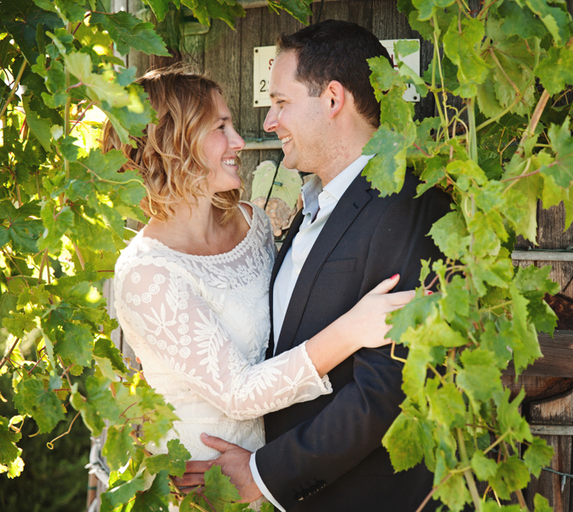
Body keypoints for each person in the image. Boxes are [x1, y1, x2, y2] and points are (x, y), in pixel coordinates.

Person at [104, 68, 416, 510]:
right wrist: (353, 330)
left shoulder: (251, 223)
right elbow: (237, 392)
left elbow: (287, 330)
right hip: (205, 485)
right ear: (173, 143)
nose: (240, 142)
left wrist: (268, 468)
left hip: (272, 473)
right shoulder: (146, 272)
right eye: (219, 128)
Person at [178, 20, 452, 512]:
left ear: (332, 100)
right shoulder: (317, 203)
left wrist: (263, 474)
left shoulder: (408, 204)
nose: (267, 122)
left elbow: (387, 391)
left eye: (281, 103)